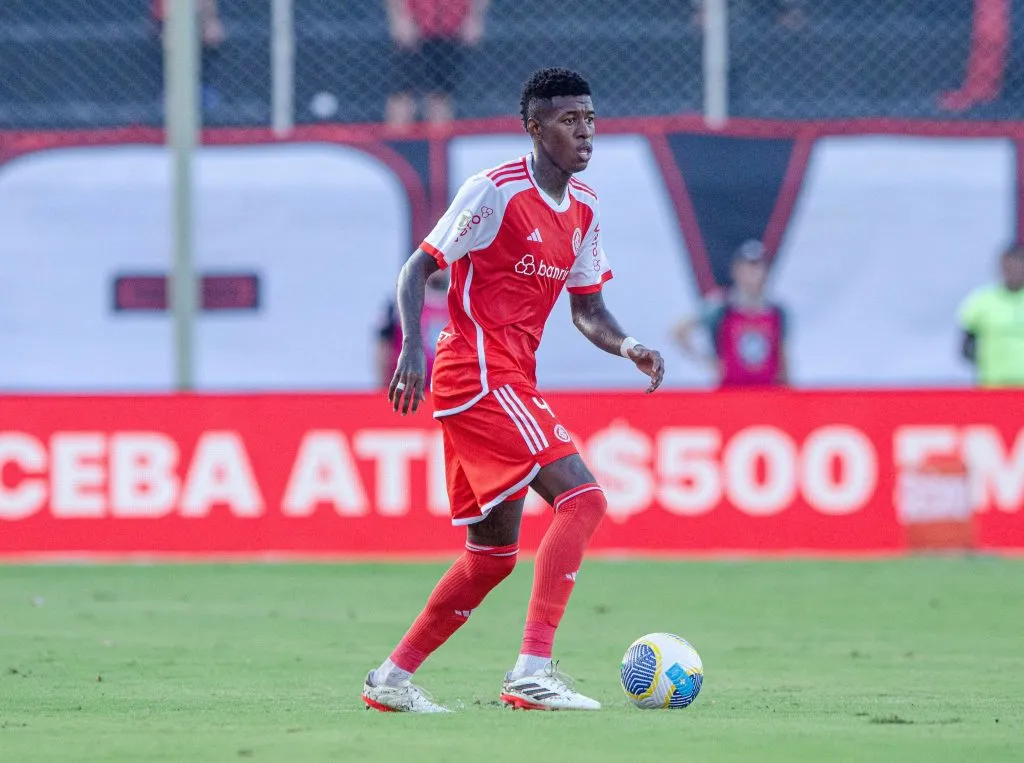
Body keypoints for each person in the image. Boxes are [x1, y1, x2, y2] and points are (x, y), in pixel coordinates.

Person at [361, 67, 666, 713]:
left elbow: (587, 307)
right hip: (476, 370)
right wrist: (413, 344)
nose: (584, 131)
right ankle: (532, 669)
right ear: (533, 127)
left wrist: (628, 344)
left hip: (504, 378)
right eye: (566, 120)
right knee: (582, 498)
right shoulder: (494, 190)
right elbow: (419, 266)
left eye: (589, 118)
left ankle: (389, 679)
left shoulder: (584, 207)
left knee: (491, 556)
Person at [673, 240, 789, 388]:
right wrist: (710, 364)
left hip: (767, 393)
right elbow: (679, 331)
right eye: (747, 268)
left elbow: (783, 357)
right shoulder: (722, 307)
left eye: (757, 268)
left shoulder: (776, 312)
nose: (752, 274)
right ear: (736, 271)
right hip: (730, 394)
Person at [384, 0, 489, 128]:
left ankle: (438, 143)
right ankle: (397, 142)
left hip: (449, 27)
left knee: (441, 94)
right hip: (414, 26)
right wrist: (400, 18)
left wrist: (474, 18)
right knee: (402, 93)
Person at [958, 243, 1024, 387]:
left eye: (1019, 264)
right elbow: (965, 347)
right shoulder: (981, 301)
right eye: (1009, 265)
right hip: (992, 387)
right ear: (1001, 267)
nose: (1014, 270)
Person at [376, 270, 451, 389]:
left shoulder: (462, 300)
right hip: (407, 390)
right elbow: (383, 346)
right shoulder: (402, 298)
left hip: (449, 391)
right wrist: (383, 387)